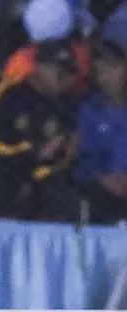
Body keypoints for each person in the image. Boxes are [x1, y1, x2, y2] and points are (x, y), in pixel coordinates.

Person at [0, 40, 80, 222]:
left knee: (62, 190)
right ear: (39, 67)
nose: (66, 80)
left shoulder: (68, 105)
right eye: (60, 72)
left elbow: (66, 152)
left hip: (43, 176)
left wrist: (37, 173)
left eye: (69, 74)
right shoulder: (8, 92)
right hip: (4, 170)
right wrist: (36, 152)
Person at [75, 34, 127, 224]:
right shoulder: (89, 111)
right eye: (100, 70)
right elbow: (84, 159)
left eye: (113, 67)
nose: (107, 77)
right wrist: (103, 179)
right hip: (103, 193)